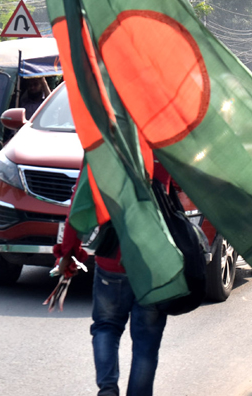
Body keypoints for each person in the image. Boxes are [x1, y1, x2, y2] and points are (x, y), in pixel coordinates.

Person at [53, 164, 172, 396]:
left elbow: (80, 200)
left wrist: (68, 253)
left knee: (106, 327)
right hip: (152, 263)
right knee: (146, 341)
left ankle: (107, 390)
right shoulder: (161, 141)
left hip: (112, 260)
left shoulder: (103, 143)